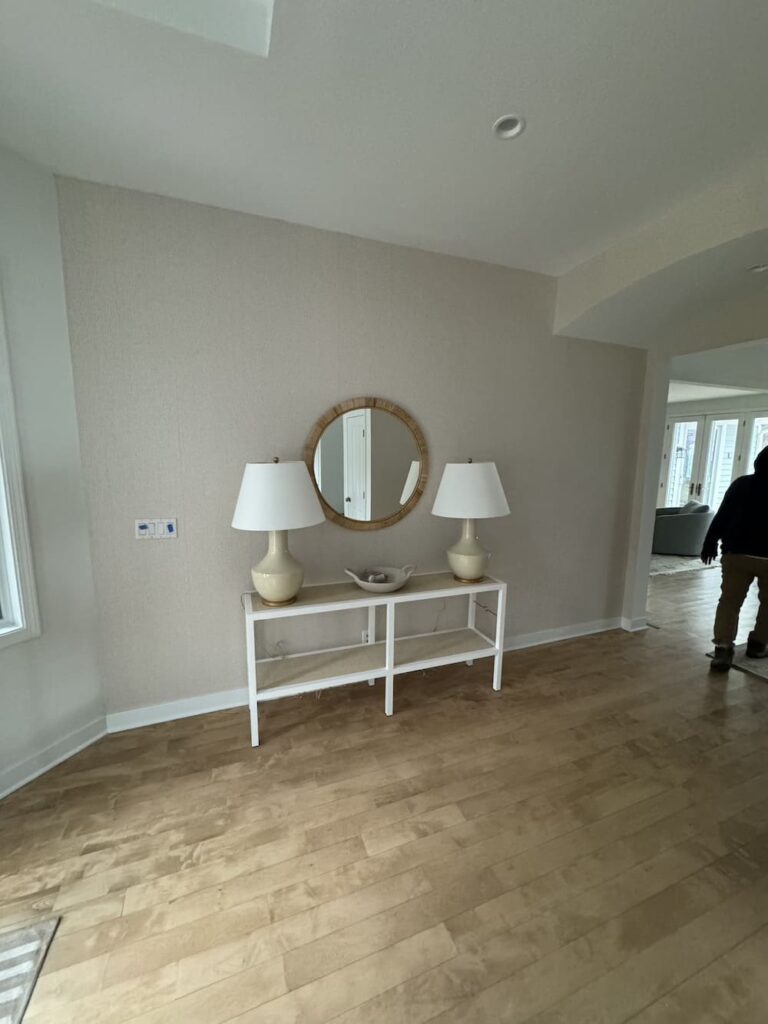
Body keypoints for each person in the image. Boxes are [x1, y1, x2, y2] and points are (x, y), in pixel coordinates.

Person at [701, 445, 768, 671]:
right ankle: (758, 644)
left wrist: (710, 542)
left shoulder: (742, 484)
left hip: (737, 554)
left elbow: (723, 514)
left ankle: (723, 650)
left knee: (729, 602)